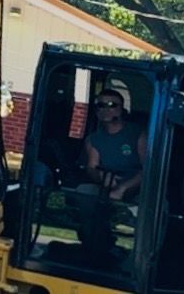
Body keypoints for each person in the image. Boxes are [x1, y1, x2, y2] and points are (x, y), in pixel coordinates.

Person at [77, 85, 147, 260]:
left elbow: (147, 170)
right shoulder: (94, 139)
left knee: (157, 207)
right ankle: (95, 247)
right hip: (106, 187)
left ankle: (139, 258)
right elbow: (92, 167)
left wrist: (123, 188)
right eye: (101, 105)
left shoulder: (137, 133)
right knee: (84, 192)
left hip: (137, 190)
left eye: (112, 104)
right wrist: (104, 180)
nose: (106, 109)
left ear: (122, 109)